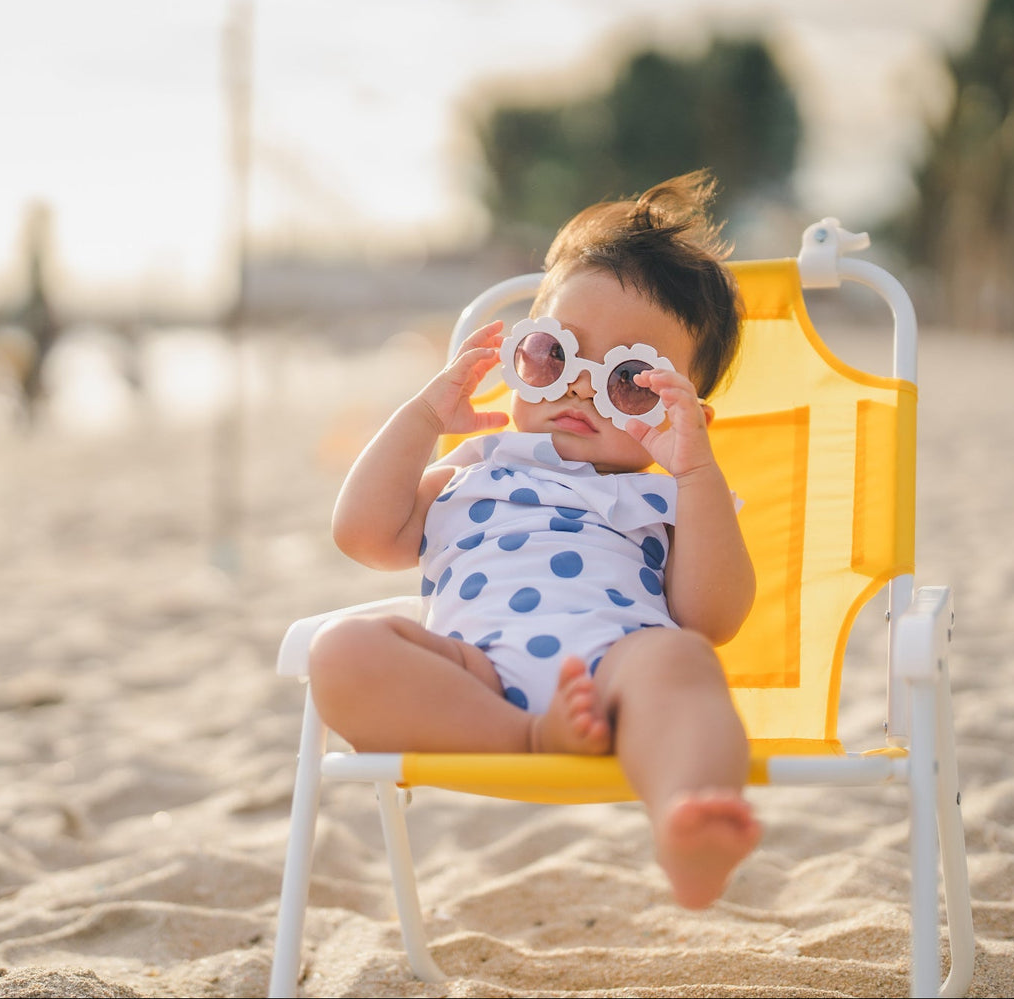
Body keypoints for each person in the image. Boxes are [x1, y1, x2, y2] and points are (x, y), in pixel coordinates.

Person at [309, 171, 760, 910]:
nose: (579, 387)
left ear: (683, 414)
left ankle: (693, 817)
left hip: (616, 674)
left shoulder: (672, 494)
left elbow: (713, 615)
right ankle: (527, 735)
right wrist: (424, 417)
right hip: (471, 680)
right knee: (342, 652)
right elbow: (362, 534)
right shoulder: (469, 466)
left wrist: (696, 469)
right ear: (522, 355)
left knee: (680, 660)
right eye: (554, 355)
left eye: (631, 382)